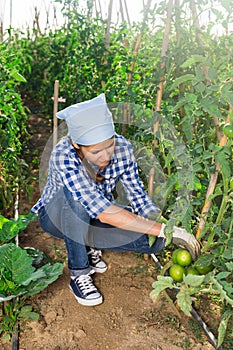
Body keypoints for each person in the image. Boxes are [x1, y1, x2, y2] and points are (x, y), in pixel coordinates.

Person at [31, 93, 200, 307]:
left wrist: (162, 226)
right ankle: (79, 273)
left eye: (109, 145)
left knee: (155, 242)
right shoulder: (63, 155)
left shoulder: (123, 148)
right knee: (74, 199)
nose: (106, 156)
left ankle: (87, 243)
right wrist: (162, 228)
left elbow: (136, 193)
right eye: (95, 151)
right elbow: (102, 211)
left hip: (96, 213)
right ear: (76, 144)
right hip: (57, 217)